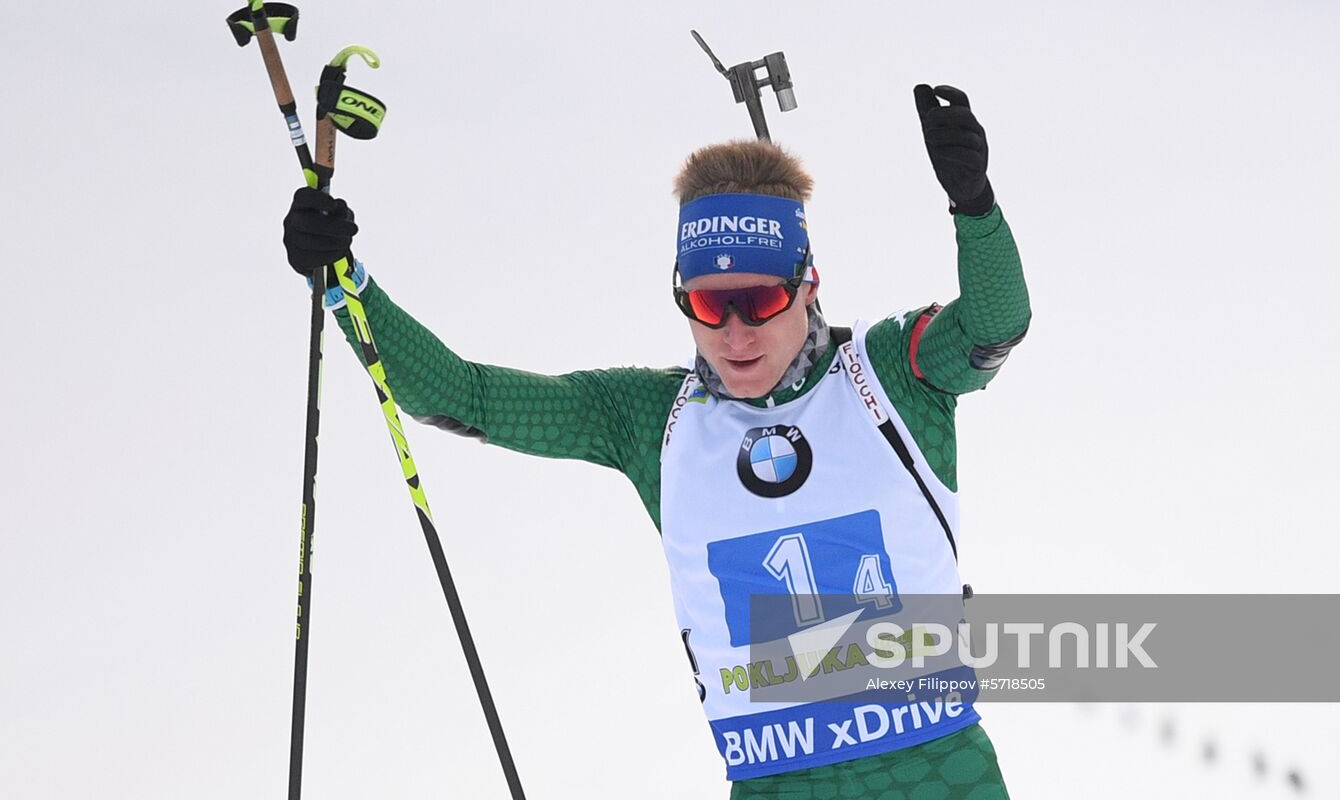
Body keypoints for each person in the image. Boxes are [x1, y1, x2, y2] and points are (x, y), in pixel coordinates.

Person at [281, 83, 1030, 798]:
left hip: (937, 771)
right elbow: (456, 393)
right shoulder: (650, 419)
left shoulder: (890, 373)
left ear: (807, 284)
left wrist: (975, 206)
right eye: (708, 305)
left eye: (759, 301)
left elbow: (994, 325)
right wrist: (345, 278)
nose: (734, 333)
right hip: (775, 782)